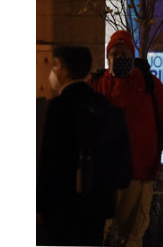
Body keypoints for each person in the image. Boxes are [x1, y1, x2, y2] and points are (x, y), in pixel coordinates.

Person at [92, 30, 163, 246]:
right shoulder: (98, 84)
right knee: (104, 234)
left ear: (133, 56)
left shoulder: (149, 84)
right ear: (108, 57)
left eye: (124, 53)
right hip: (106, 177)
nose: (119, 58)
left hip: (140, 173)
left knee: (133, 235)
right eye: (114, 54)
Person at [37, 46, 131, 246]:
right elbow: (120, 154)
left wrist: (41, 204)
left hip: (62, 204)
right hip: (96, 203)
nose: (53, 71)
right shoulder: (103, 104)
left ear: (64, 70)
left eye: (55, 65)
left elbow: (49, 160)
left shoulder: (58, 107)